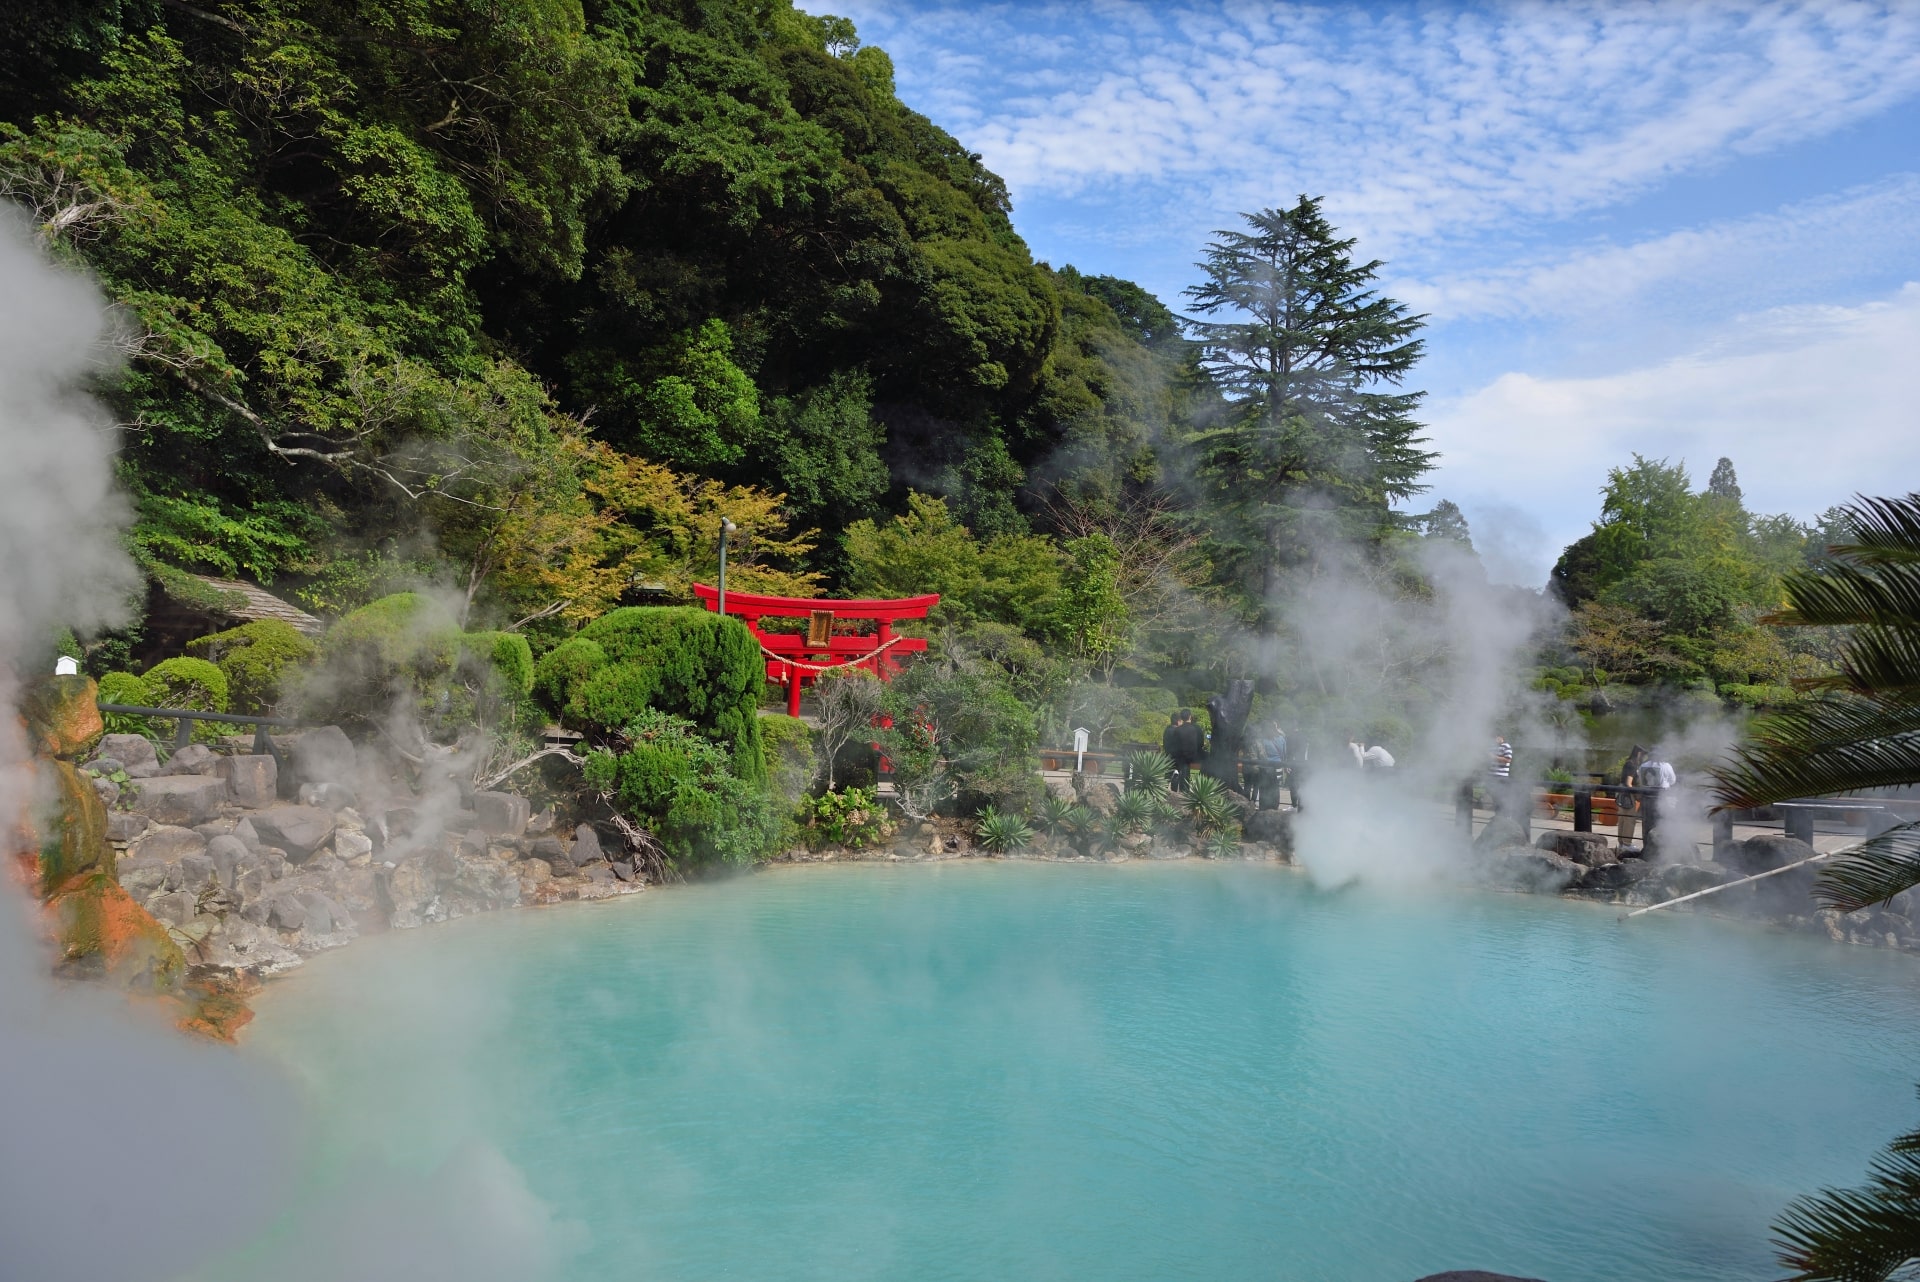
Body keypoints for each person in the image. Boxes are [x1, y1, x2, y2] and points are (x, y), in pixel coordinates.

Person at [1616, 745, 1647, 845]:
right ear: (1638, 753)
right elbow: (1629, 783)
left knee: (1622, 819)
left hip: (1621, 793)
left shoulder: (1628, 763)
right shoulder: (1632, 765)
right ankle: (1626, 843)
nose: (1644, 757)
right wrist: (1637, 795)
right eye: (1643, 754)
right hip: (1628, 795)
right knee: (1629, 819)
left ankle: (1621, 842)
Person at [1162, 711, 1187, 791]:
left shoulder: (1167, 730)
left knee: (1168, 776)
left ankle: (1162, 792)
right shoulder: (1177, 731)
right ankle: (1174, 792)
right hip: (1177, 757)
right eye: (1181, 721)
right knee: (1177, 774)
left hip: (1168, 756)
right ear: (1178, 721)